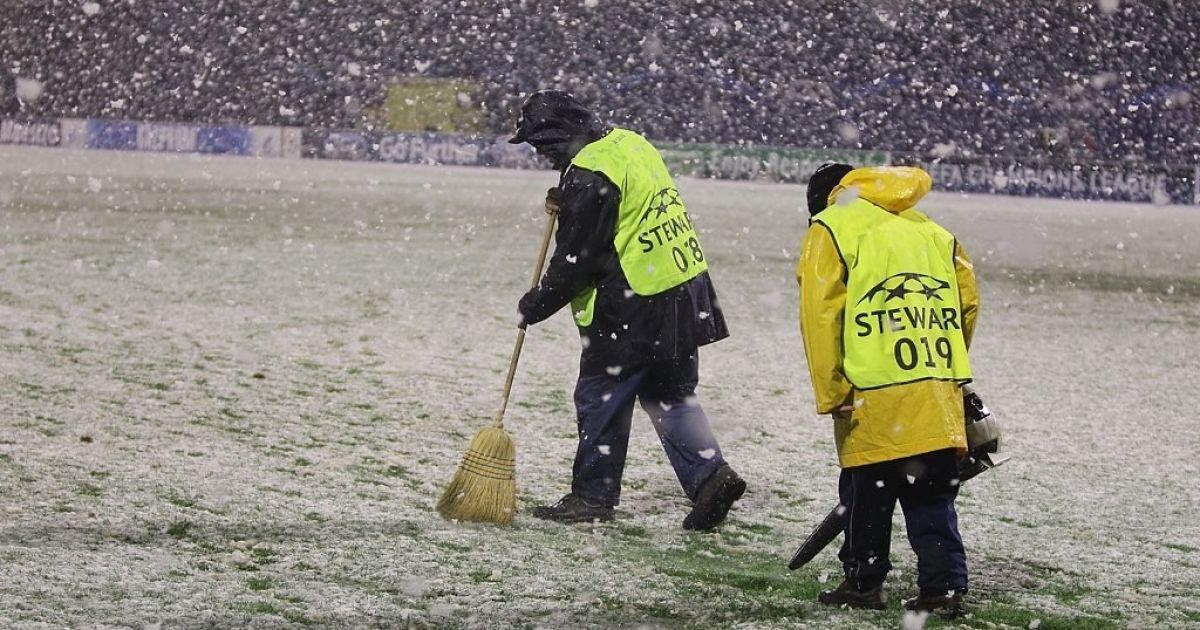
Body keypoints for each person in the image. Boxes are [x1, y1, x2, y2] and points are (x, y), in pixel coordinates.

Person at [509, 90, 745, 530]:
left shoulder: (589, 174)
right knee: (670, 395)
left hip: (632, 303)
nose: (539, 154)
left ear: (558, 134)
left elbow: (578, 261)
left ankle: (591, 497)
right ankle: (711, 475)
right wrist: (570, 194)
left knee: (602, 397)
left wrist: (536, 303)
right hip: (681, 288)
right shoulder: (629, 143)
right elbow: (626, 205)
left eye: (540, 144)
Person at [796, 163, 980, 617]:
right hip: (933, 388)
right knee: (931, 495)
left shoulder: (832, 227)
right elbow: (967, 303)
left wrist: (832, 389)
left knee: (866, 496)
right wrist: (943, 368)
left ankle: (864, 582)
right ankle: (943, 588)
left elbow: (822, 316)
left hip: (871, 391)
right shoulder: (932, 230)